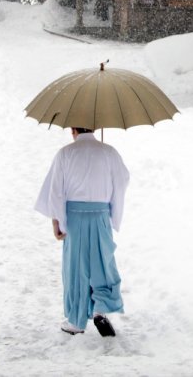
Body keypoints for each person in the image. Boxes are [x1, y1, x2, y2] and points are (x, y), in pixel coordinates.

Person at [35, 127, 130, 336]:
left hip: (74, 217)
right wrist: (112, 212)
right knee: (103, 262)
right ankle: (101, 308)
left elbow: (55, 191)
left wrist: (57, 222)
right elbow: (122, 181)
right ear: (95, 128)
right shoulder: (109, 152)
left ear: (73, 129)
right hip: (100, 216)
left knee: (76, 267)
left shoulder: (65, 153)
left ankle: (76, 320)